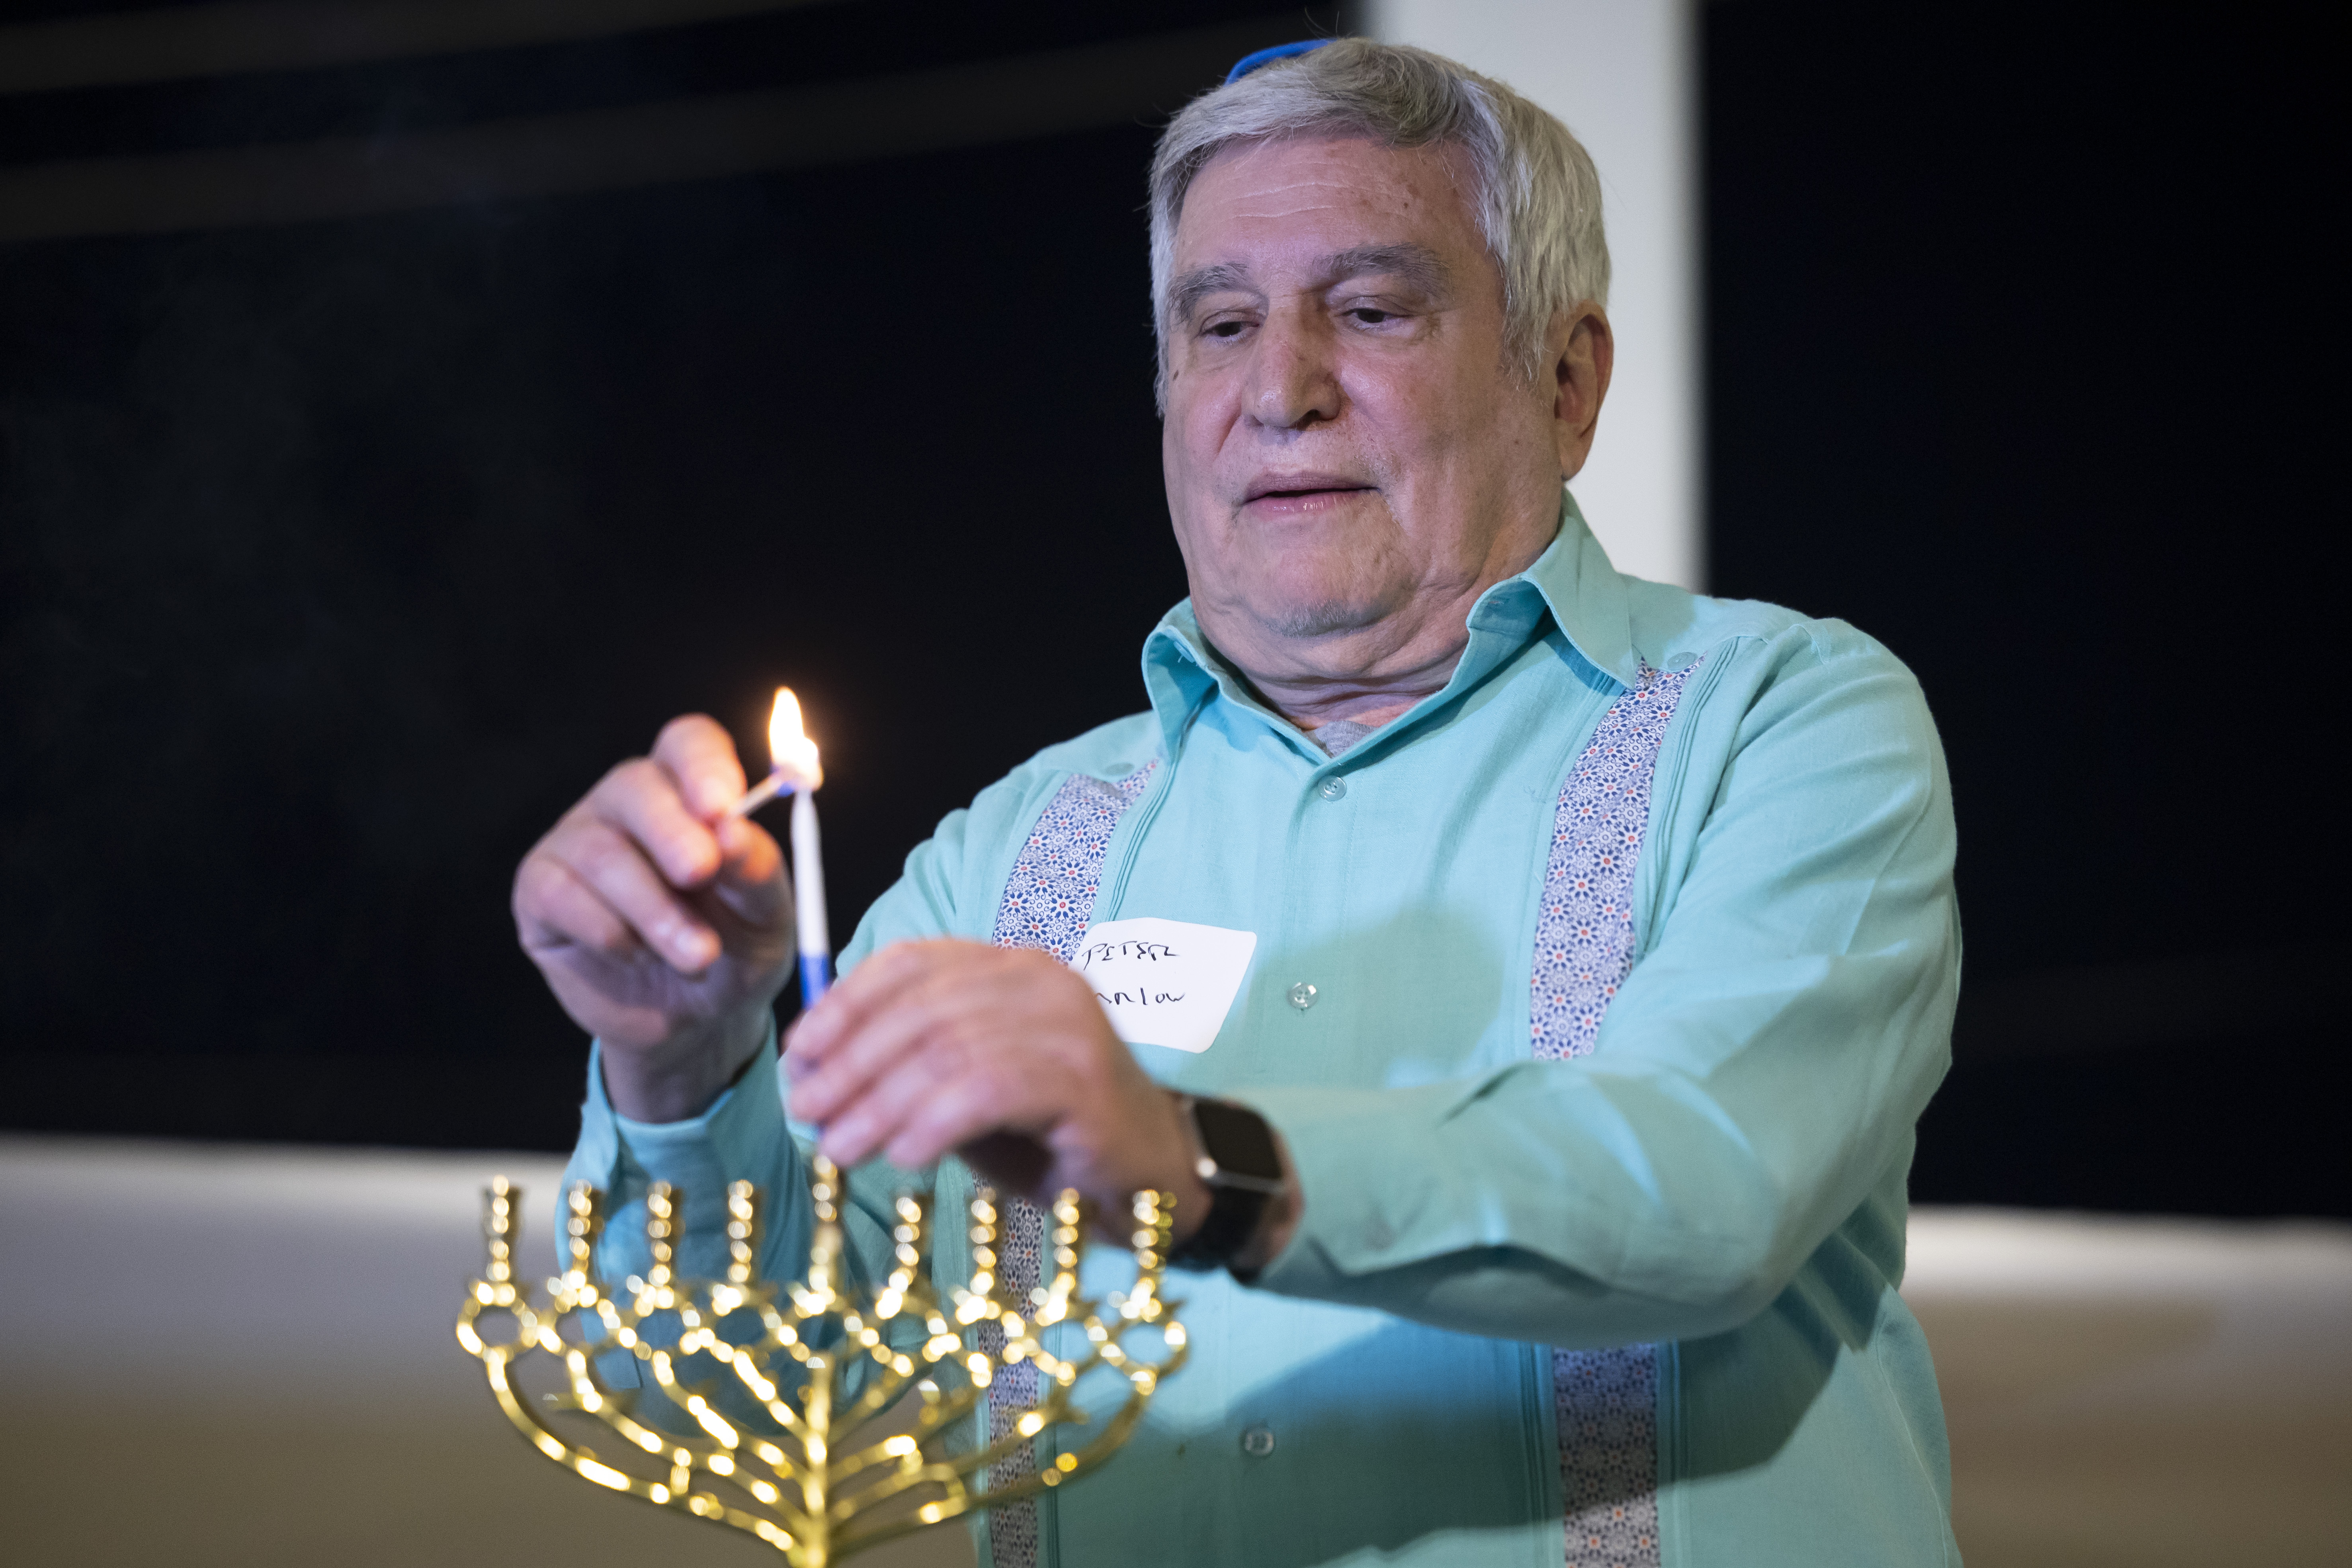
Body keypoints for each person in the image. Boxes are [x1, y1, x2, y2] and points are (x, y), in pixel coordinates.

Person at [512, 39, 1961, 1568]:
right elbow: (757, 1403)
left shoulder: (1783, 721)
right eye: (1219, 324)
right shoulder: (1007, 858)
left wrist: (1195, 1161)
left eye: (1371, 308)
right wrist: (675, 1068)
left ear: (1564, 378)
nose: (1282, 390)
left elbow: (1705, 1188)